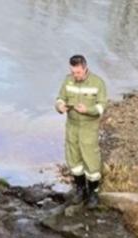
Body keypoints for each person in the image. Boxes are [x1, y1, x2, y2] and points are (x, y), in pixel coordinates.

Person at [55, 54, 108, 208]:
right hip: (72, 126)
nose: (75, 75)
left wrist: (88, 110)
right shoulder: (68, 80)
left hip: (88, 127)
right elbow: (60, 98)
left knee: (91, 159)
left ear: (85, 68)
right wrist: (60, 106)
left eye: (78, 72)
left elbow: (101, 107)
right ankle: (80, 189)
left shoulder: (97, 83)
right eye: (73, 72)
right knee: (74, 159)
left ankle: (93, 193)